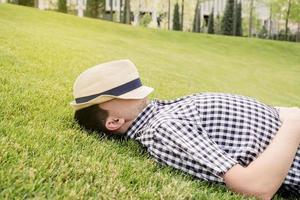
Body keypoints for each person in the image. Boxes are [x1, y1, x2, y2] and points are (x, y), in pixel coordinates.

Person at [71, 59, 300, 199]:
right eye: (119, 91)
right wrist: (293, 122)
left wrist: (285, 113)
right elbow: (255, 187)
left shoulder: (163, 111)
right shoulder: (164, 129)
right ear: (114, 122)